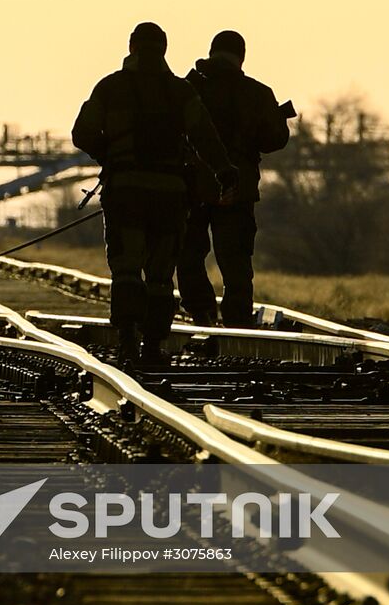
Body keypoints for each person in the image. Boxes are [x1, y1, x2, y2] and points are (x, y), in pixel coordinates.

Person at [72, 22, 238, 363]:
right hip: (169, 195)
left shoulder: (110, 87)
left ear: (132, 47)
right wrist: (224, 170)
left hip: (126, 193)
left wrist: (110, 155)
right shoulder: (180, 92)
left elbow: (82, 133)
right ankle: (152, 344)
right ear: (163, 49)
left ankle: (128, 339)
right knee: (161, 274)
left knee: (127, 268)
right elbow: (205, 136)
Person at [176, 30, 291, 327]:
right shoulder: (257, 93)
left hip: (191, 188)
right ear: (241, 57)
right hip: (237, 190)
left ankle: (201, 312)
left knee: (189, 254)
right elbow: (275, 140)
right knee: (236, 262)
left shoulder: (186, 89)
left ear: (212, 52)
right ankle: (238, 323)